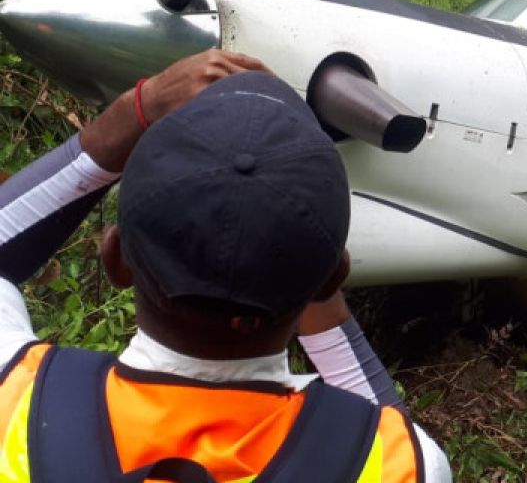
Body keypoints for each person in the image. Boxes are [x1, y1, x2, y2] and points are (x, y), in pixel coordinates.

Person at [0, 51, 450, 480]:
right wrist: (298, 251)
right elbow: (390, 440)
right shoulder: (404, 464)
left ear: (115, 260)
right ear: (330, 278)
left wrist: (141, 105)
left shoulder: (14, 398)